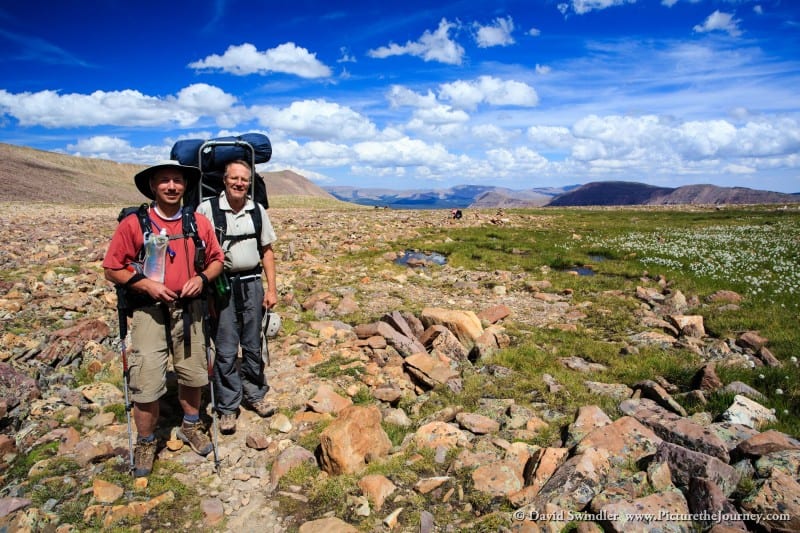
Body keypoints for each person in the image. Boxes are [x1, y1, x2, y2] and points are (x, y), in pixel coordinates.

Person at [103, 160, 224, 477]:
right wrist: (145, 284)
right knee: (145, 380)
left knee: (194, 372)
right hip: (147, 312)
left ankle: (191, 424)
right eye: (164, 181)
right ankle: (146, 441)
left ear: (185, 186)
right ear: (153, 186)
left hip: (190, 309)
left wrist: (203, 279)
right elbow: (112, 268)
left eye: (177, 180)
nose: (172, 186)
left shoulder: (198, 222)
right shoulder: (133, 224)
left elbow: (215, 260)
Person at [197, 159, 278, 434]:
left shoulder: (257, 211)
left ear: (249, 182)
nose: (239, 183)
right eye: (234, 178)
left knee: (254, 344)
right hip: (220, 287)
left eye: (244, 179)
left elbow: (267, 251)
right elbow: (197, 253)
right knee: (227, 347)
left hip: (253, 283)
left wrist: (272, 288)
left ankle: (255, 394)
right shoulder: (206, 210)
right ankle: (228, 407)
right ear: (224, 179)